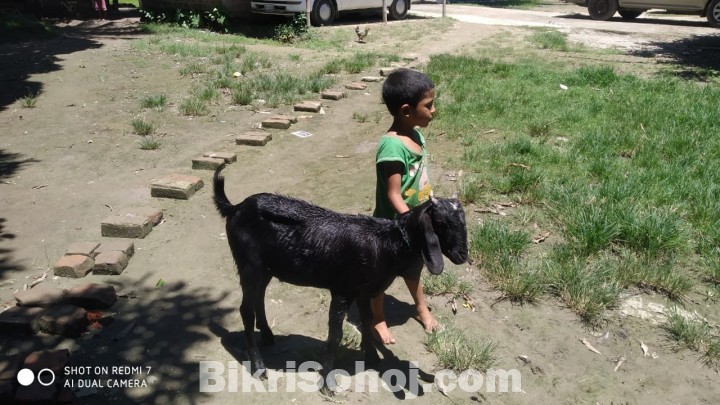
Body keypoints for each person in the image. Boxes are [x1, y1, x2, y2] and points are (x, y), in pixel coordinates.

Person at [372, 68, 438, 345]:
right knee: (379, 274)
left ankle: (421, 307)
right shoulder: (392, 147)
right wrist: (415, 221)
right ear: (407, 111)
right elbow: (393, 195)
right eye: (429, 105)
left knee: (414, 267)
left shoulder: (415, 134)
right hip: (392, 225)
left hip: (415, 220)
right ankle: (377, 317)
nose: (434, 110)